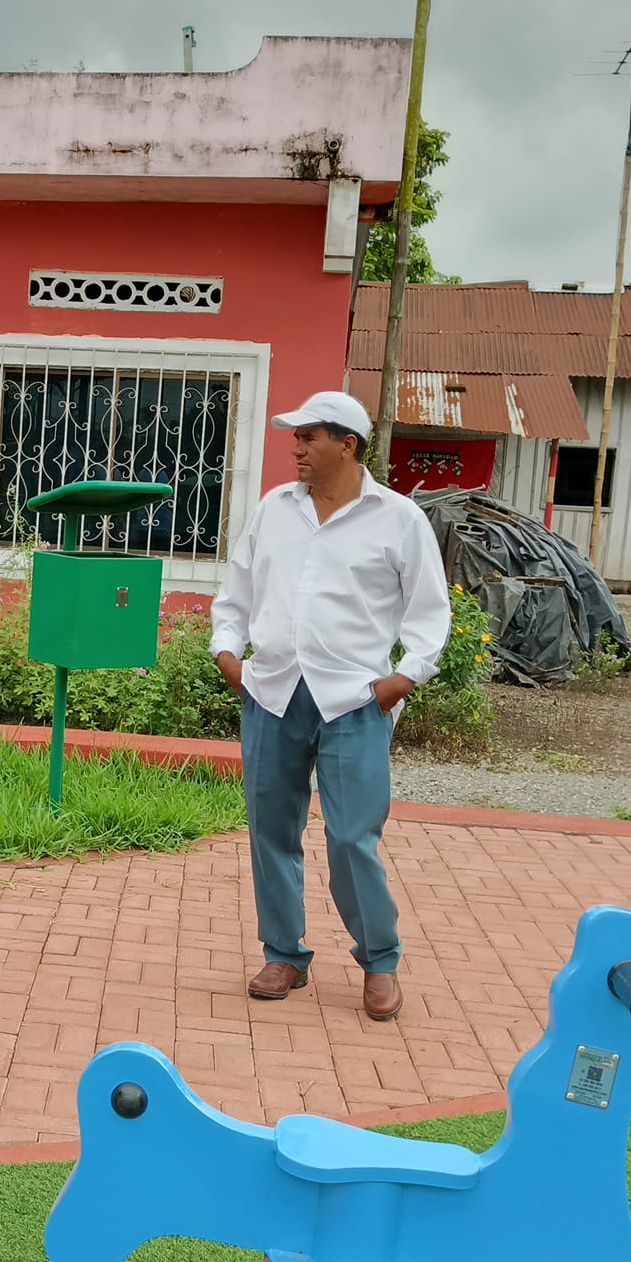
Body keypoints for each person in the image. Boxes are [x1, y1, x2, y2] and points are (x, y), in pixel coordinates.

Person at [208, 390, 450, 1019]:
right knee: (270, 831)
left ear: (348, 444)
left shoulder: (399, 519)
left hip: (354, 702)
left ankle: (379, 960)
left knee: (350, 838)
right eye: (295, 437)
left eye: (309, 437)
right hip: (273, 693)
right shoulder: (275, 509)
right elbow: (238, 589)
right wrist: (228, 651)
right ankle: (284, 954)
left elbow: (430, 612)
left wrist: (402, 679)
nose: (296, 448)